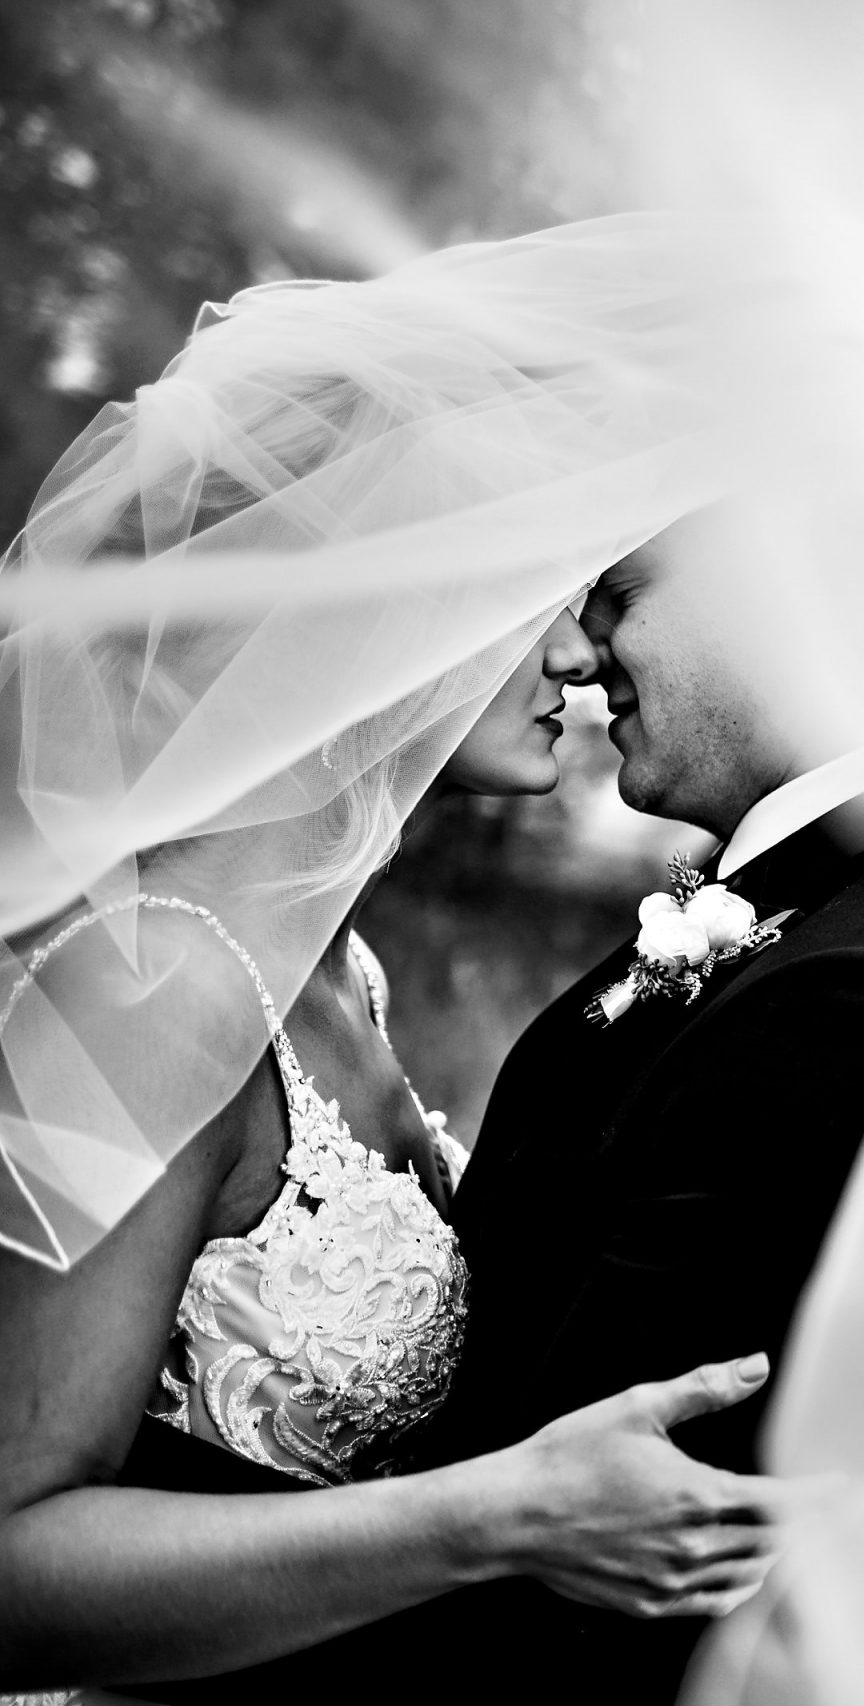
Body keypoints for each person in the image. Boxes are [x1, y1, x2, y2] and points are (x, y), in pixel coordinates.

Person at [0, 236, 785, 1701]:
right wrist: (494, 1521)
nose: (582, 651)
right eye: (541, 586)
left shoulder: (335, 970)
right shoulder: (153, 986)